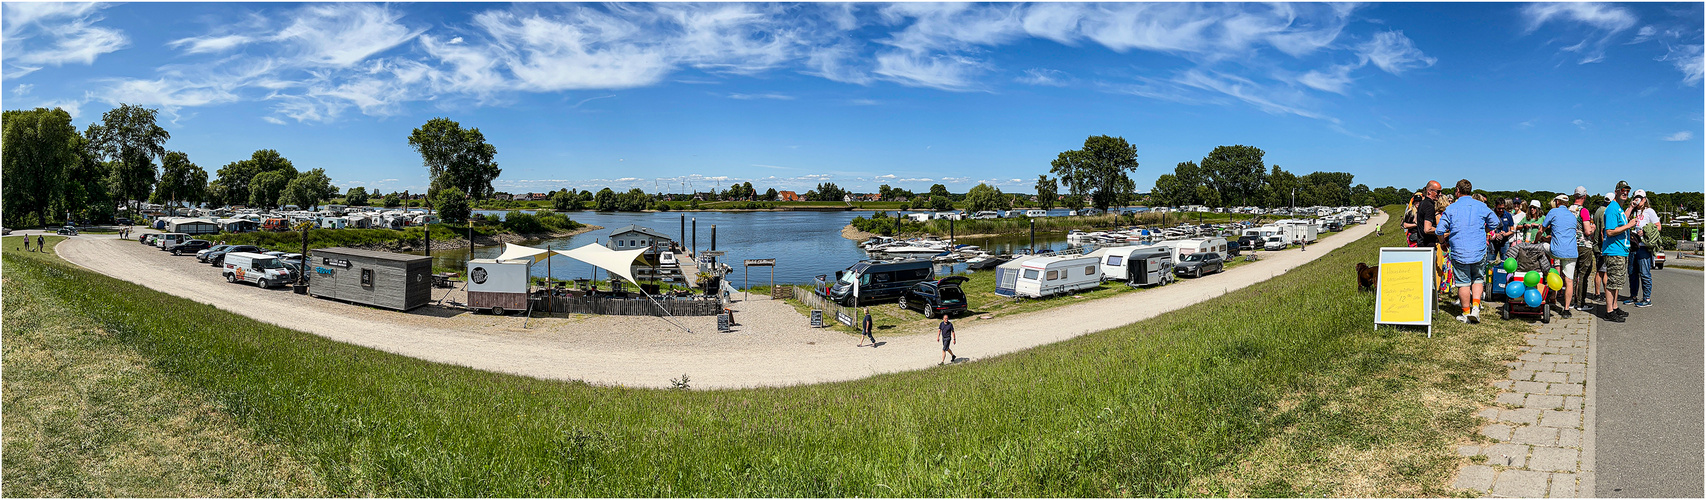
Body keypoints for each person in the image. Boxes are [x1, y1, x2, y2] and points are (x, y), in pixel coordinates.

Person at [1437, 179, 1500, 323]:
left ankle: (1466, 313)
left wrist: (1442, 243)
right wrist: (1484, 230)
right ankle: (1476, 308)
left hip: (1459, 250)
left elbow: (1439, 230)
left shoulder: (1451, 208)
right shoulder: (1481, 206)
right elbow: (1495, 222)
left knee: (1463, 282)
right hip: (1478, 249)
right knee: (1477, 278)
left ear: (1457, 191)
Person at [1600, 181, 1635, 322]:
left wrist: (1631, 208)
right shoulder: (1612, 209)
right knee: (1612, 282)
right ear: (1616, 191)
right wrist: (1628, 226)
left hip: (1621, 250)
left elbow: (1622, 220)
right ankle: (1609, 311)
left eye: (1627, 190)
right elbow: (1609, 231)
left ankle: (1614, 307)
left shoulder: (1619, 208)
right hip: (1614, 251)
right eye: (1622, 190)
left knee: (1618, 282)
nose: (1625, 192)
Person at [1541, 194, 1579, 318]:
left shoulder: (1553, 212)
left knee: (1541, 247)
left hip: (1556, 251)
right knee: (1569, 280)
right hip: (1571, 251)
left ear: (1557, 202)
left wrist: (1538, 240)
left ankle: (1545, 281)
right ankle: (1567, 309)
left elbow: (1542, 229)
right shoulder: (1572, 216)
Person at [1623, 189, 1660, 307]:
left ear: (1645, 199)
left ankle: (1647, 298)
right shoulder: (1632, 211)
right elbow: (1623, 220)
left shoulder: (1649, 211)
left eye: (1641, 197)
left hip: (1643, 246)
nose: (1638, 200)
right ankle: (1633, 296)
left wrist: (1645, 231)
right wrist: (1631, 206)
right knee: (1632, 273)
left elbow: (1658, 227)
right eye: (1636, 197)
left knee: (1644, 273)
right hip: (1632, 246)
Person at [1570, 188, 1598, 311]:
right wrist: (1593, 228)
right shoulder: (1584, 211)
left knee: (1572, 274)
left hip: (1570, 244)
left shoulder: (1568, 210)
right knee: (1583, 274)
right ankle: (1580, 303)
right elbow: (1587, 231)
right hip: (1583, 244)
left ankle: (1570, 301)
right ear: (1584, 197)